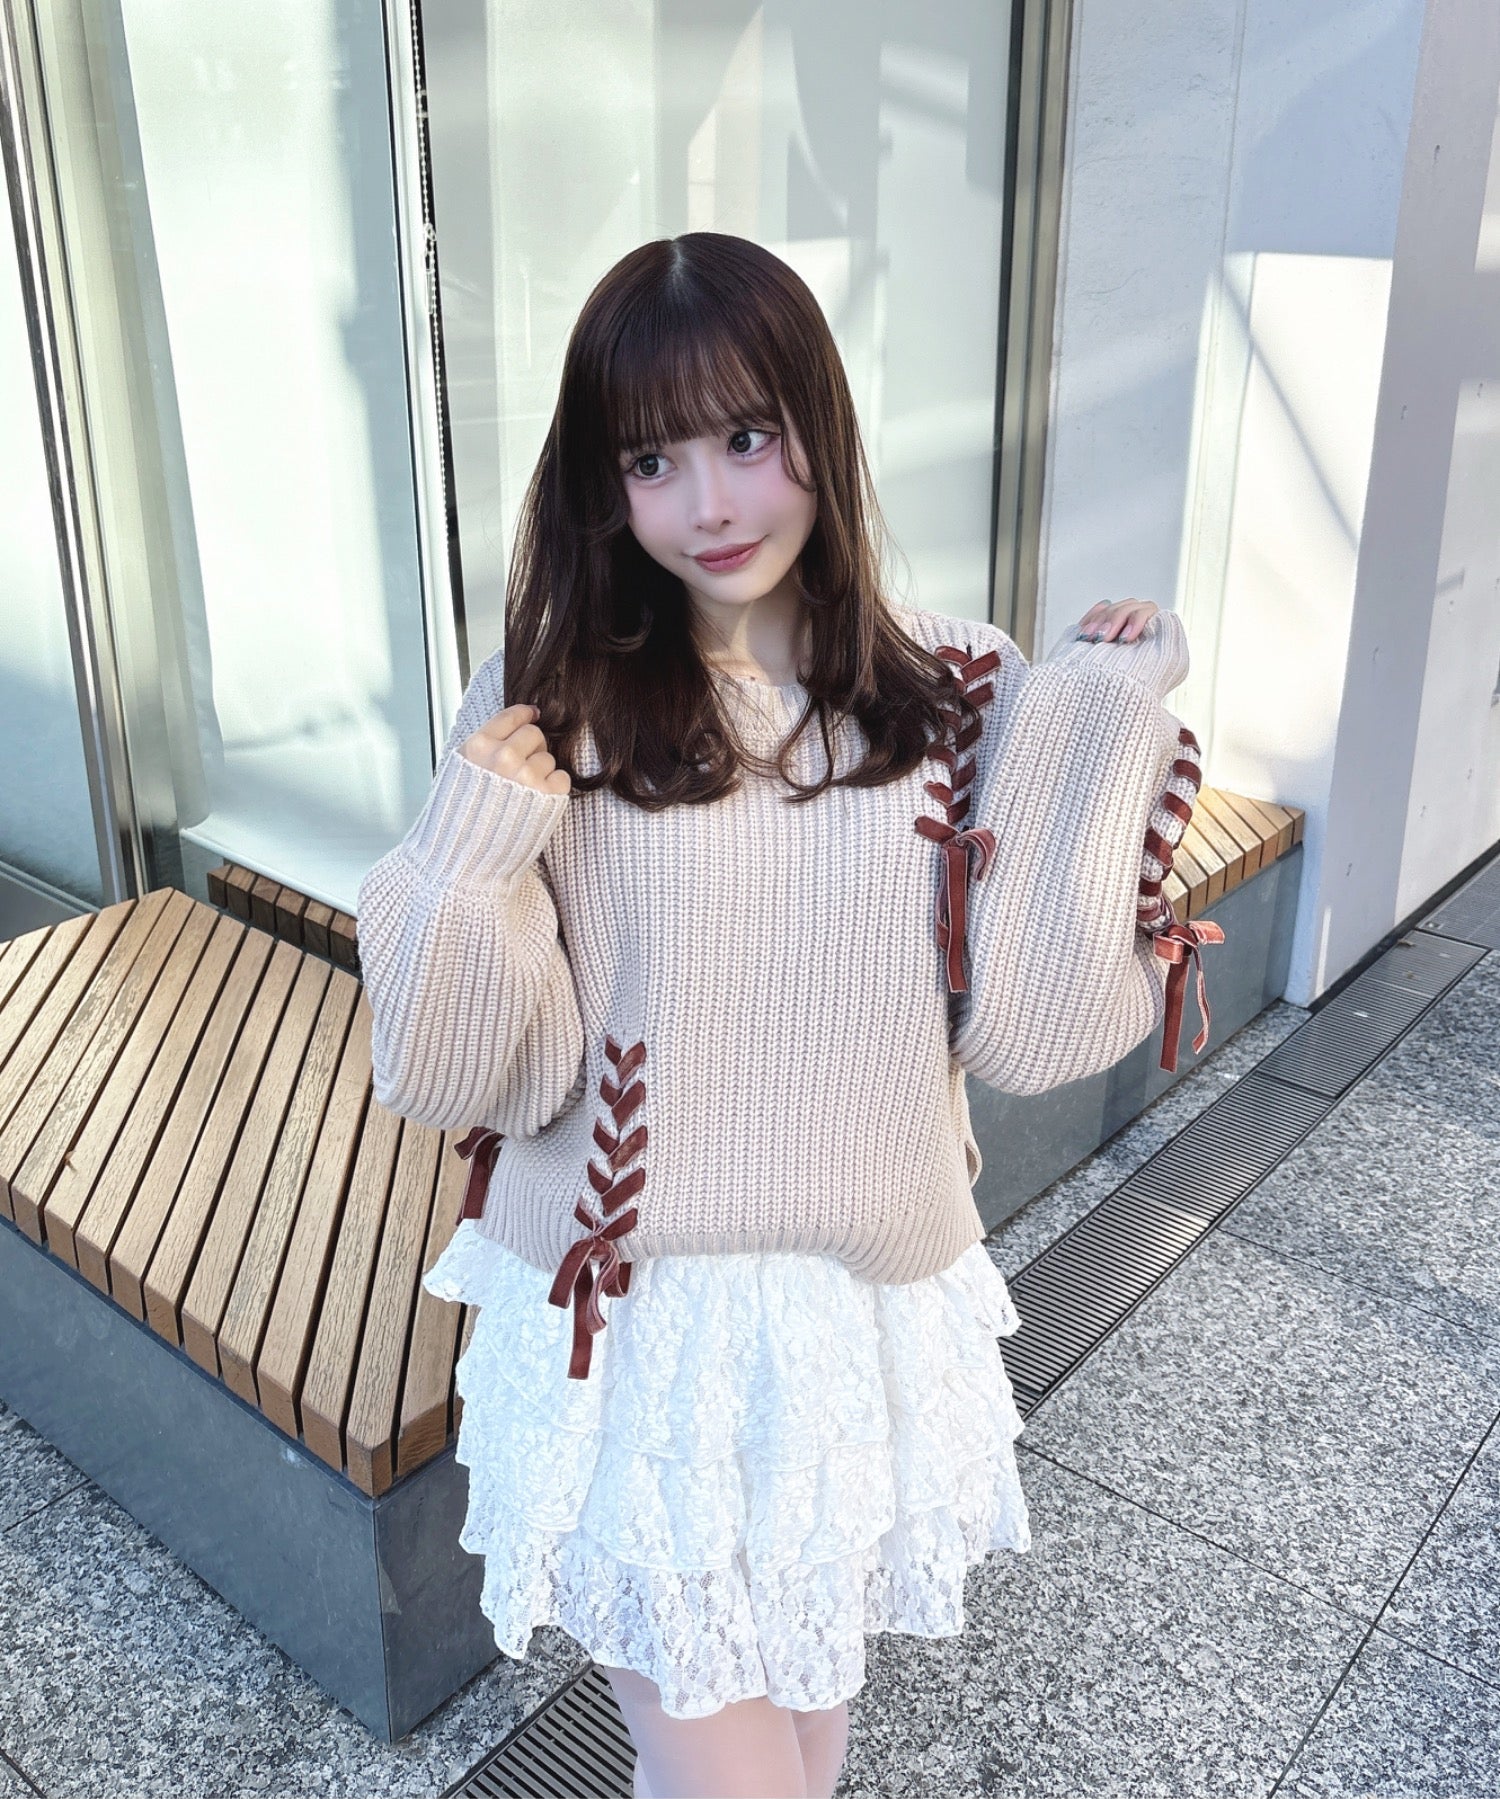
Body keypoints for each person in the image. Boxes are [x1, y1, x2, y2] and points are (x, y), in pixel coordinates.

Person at [355, 232, 1222, 1799]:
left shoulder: (955, 689)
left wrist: (1106, 706)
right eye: (653, 461)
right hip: (637, 1327)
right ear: (604, 487)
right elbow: (460, 1071)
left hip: (854, 1312)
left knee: (805, 1751)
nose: (711, 503)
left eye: (749, 437)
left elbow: (1026, 1032)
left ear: (818, 420)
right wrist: (468, 854)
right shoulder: (550, 704)